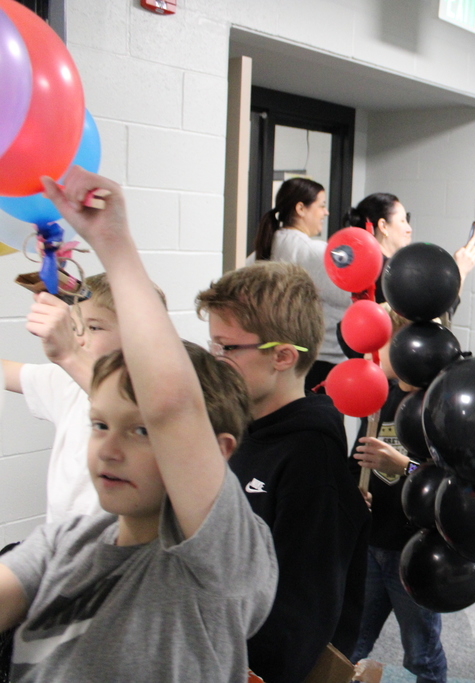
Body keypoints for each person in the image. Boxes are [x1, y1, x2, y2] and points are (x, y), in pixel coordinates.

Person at [0, 168, 277, 680]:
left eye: (141, 431)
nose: (107, 449)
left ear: (216, 451)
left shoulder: (217, 560)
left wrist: (111, 241)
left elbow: (172, 406)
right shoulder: (67, 542)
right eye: (100, 425)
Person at [196, 261, 370, 682]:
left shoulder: (312, 460)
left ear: (283, 356)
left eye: (228, 348)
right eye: (214, 346)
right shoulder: (240, 431)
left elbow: (299, 621)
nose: (216, 360)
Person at [1, 274, 157, 523]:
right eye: (73, 328)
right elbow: (7, 372)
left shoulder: (157, 392)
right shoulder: (65, 382)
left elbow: (121, 403)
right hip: (60, 545)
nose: (80, 338)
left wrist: (69, 354)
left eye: (94, 327)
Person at [348, 306, 448, 683]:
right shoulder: (377, 395)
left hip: (414, 552)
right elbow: (355, 461)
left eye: (383, 344)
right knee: (350, 642)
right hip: (372, 544)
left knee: (421, 655)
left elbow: (446, 483)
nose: (373, 353)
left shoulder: (437, 407)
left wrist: (401, 465)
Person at [253, 177, 350, 390]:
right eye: (321, 206)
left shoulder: (264, 248)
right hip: (321, 361)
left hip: (279, 359)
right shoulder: (315, 252)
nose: (326, 212)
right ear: (300, 208)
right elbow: (349, 298)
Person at [342, 193, 475, 306]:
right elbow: (434, 321)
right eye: (402, 221)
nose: (409, 229)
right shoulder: (393, 274)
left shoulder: (360, 267)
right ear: (383, 226)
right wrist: (460, 272)